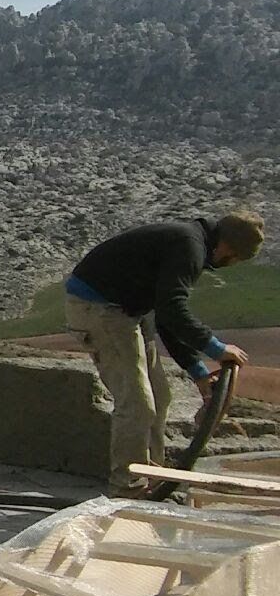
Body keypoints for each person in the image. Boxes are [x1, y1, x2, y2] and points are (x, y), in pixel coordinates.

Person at [64, 210, 263, 494]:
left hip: (129, 311)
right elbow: (173, 310)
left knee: (159, 395)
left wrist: (198, 373)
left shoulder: (193, 242)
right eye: (233, 261)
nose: (225, 265)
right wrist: (217, 348)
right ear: (227, 249)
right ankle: (128, 487)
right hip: (98, 308)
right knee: (137, 404)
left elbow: (166, 318)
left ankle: (152, 478)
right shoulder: (189, 247)